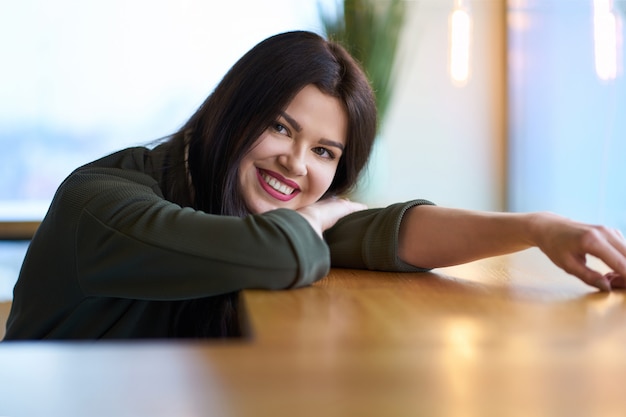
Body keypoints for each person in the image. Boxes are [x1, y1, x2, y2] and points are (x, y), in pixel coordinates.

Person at [4, 31, 626, 340]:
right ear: (231, 109)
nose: (297, 165)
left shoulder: (232, 195)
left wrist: (537, 228)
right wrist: (324, 217)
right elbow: (280, 250)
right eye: (280, 126)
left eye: (325, 151)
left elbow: (393, 233)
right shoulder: (107, 201)